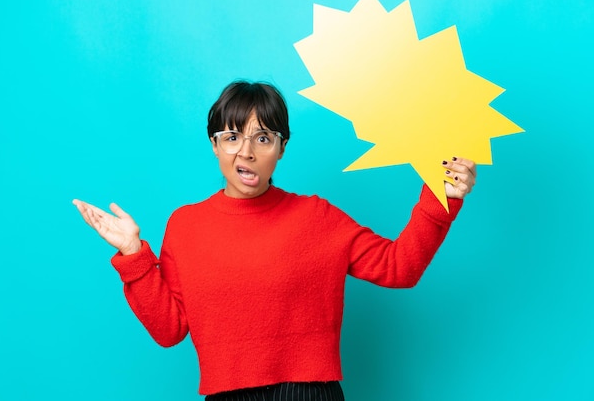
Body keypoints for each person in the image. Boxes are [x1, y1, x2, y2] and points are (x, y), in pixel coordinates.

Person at [73, 81, 476, 401]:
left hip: (309, 394)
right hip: (225, 396)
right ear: (214, 145)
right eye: (231, 137)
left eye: (262, 138)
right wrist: (133, 254)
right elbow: (170, 330)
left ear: (282, 148)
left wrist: (443, 198)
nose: (245, 151)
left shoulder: (316, 217)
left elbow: (398, 267)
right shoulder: (185, 224)